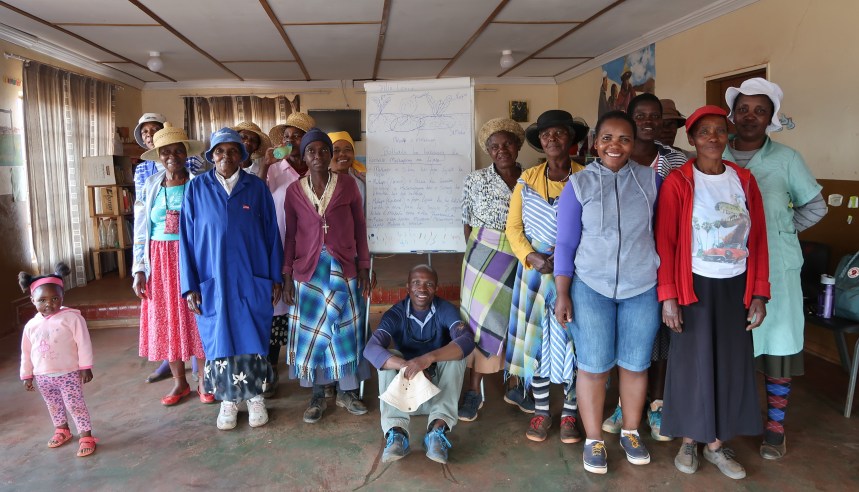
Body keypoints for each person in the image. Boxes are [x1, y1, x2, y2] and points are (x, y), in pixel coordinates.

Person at [657, 105, 770, 479]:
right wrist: (669, 295)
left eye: (719, 130)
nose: (712, 137)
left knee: (730, 364)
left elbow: (758, 239)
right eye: (703, 131)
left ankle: (717, 444)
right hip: (694, 285)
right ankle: (689, 441)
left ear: (728, 136)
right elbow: (667, 242)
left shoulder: (744, 181)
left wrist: (759, 292)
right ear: (691, 139)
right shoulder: (679, 182)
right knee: (692, 364)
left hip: (735, 286)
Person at [723, 78, 827, 460]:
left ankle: (775, 428)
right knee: (731, 346)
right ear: (732, 116)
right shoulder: (716, 154)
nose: (750, 116)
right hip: (725, 268)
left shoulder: (787, 159)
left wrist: (780, 230)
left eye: (760, 110)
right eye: (743, 109)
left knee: (776, 346)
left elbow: (815, 207)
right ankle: (729, 422)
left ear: (771, 118)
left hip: (777, 268)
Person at [554, 110, 660, 475]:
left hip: (642, 286)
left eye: (624, 139)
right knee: (594, 367)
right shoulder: (579, 184)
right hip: (590, 287)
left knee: (635, 364)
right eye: (607, 138)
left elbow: (663, 234)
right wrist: (563, 293)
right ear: (595, 143)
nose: (615, 146)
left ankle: (630, 431)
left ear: (633, 144)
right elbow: (565, 244)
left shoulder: (651, 182)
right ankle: (594, 438)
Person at [179, 128, 283, 430]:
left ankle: (254, 397)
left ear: (243, 156)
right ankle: (227, 400)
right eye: (219, 151)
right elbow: (185, 241)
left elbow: (272, 235)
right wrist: (190, 286)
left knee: (253, 335)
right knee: (219, 337)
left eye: (233, 151)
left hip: (252, 276)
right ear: (211, 156)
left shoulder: (256, 188)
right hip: (214, 280)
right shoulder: (196, 189)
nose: (226, 156)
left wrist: (274, 277)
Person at [601, 94, 687, 441]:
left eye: (656, 116)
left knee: (662, 336)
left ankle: (659, 404)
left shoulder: (678, 161)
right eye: (642, 116)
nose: (649, 121)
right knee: (631, 339)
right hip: (623, 264)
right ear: (630, 119)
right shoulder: (614, 159)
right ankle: (626, 404)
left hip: (667, 257)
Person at [505, 110, 588, 444]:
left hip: (578, 276)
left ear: (571, 139)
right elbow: (514, 228)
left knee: (575, 343)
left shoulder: (588, 177)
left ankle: (569, 414)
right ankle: (541, 411)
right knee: (537, 344)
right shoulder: (526, 181)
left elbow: (596, 226)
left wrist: (569, 257)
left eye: (560, 133)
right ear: (540, 142)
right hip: (536, 277)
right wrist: (531, 256)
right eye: (546, 135)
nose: (552, 140)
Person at [282, 128, 371, 423]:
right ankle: (318, 393)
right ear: (304, 156)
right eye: (311, 151)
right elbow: (291, 235)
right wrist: (286, 276)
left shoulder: (347, 185)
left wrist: (364, 265)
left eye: (323, 151)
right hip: (308, 272)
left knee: (343, 331)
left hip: (344, 266)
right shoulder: (295, 190)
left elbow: (359, 226)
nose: (318, 156)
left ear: (330, 154)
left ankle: (347, 391)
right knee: (314, 333)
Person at [364, 265, 475, 464]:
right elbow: (370, 349)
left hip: (437, 396)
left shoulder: (445, 309)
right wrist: (407, 365)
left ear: (436, 288)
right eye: (416, 283)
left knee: (456, 355)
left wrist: (426, 360)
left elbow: (466, 340)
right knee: (388, 356)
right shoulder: (395, 314)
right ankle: (397, 434)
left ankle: (436, 432)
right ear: (407, 287)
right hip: (404, 399)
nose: (422, 289)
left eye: (429, 284)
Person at [132, 124, 210, 406]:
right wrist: (139, 268)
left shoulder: (199, 183)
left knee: (196, 316)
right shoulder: (151, 186)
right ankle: (180, 382)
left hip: (191, 257)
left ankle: (204, 380)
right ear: (158, 156)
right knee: (167, 321)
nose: (172, 156)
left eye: (178, 151)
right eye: (166, 152)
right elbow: (141, 229)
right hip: (159, 261)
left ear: (186, 153)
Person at [457, 118, 524, 422]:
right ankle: (473, 390)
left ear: (518, 145)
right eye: (494, 146)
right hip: (483, 257)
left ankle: (514, 382)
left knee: (517, 321)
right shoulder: (475, 180)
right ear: (487, 150)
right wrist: (477, 255)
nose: (501, 150)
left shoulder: (532, 178)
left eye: (507, 143)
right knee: (479, 323)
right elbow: (467, 222)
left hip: (524, 256)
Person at [19, 263, 97, 458]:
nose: (49, 303)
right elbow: (26, 352)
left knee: (75, 404)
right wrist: (27, 375)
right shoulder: (31, 326)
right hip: (43, 376)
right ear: (32, 300)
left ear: (62, 297)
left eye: (55, 298)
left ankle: (86, 436)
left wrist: (85, 367)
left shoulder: (71, 318)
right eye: (42, 300)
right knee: (53, 405)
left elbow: (83, 343)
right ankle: (62, 430)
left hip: (68, 372)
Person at [259, 112, 316, 182]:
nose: (289, 140)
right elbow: (257, 191)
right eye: (286, 136)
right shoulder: (272, 168)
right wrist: (265, 164)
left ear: (308, 140)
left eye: (296, 136)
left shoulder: (317, 167)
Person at [328, 130, 367, 205]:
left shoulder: (360, 183)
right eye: (336, 150)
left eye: (347, 149)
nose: (342, 154)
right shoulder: (318, 181)